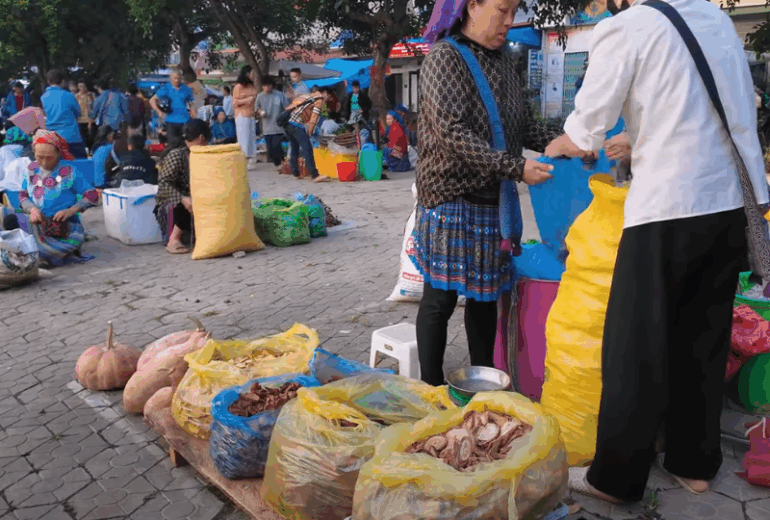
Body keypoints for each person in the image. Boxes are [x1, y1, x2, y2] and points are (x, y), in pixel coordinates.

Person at [543, 0, 770, 504]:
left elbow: (588, 126)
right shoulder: (715, 21)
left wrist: (559, 145)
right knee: (702, 340)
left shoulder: (628, 28)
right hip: (727, 205)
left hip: (667, 208)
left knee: (634, 347)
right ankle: (694, 466)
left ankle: (615, 480)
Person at [413, 0, 556, 387]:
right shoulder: (445, 57)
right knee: (440, 299)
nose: (509, 22)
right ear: (472, 6)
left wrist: (564, 142)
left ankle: (482, 384)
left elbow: (523, 126)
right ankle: (431, 387)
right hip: (451, 197)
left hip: (492, 201)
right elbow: (451, 133)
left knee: (483, 299)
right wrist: (517, 168)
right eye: (502, 10)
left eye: (514, 13)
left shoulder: (503, 64)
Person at [0, 130, 98, 267]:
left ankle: (37, 252)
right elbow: (22, 195)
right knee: (3, 214)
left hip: (64, 227)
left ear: (58, 153)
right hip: (36, 222)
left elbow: (92, 195)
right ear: (33, 152)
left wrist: (71, 210)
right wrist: (33, 210)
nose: (44, 162)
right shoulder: (31, 169)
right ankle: (35, 250)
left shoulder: (70, 171)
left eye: (49, 157)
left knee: (68, 241)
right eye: (40, 157)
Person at [154, 119, 211, 255]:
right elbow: (163, 184)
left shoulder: (204, 155)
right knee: (189, 202)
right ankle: (174, 239)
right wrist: (182, 198)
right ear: (202, 138)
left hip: (194, 199)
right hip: (174, 205)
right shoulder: (177, 155)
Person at [281, 90, 332, 183]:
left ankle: (295, 172)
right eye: (329, 96)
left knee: (294, 146)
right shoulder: (319, 100)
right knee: (307, 147)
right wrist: (309, 132)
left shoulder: (307, 95)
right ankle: (314, 175)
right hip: (296, 124)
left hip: (287, 122)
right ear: (325, 93)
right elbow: (314, 118)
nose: (328, 98)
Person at [41, 70, 87, 159]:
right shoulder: (69, 95)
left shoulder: (43, 97)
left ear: (48, 81)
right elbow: (78, 113)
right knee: (80, 167)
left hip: (53, 139)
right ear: (62, 81)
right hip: (72, 136)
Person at [150, 70, 195, 152]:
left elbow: (191, 103)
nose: (177, 80)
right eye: (174, 78)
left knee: (185, 145)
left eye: (178, 78)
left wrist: (194, 115)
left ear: (181, 78)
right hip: (171, 121)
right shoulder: (166, 88)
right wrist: (159, 111)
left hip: (184, 120)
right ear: (171, 79)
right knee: (172, 145)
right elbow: (152, 100)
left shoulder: (186, 89)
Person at [256, 76, 289, 170]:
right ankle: (279, 163)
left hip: (278, 126)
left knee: (276, 146)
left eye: (269, 86)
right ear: (262, 86)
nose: (267, 88)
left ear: (272, 86)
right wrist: (260, 112)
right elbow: (256, 108)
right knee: (270, 150)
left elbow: (286, 108)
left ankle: (281, 164)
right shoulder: (260, 96)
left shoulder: (280, 95)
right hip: (266, 127)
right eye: (265, 86)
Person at [233, 66, 258, 165]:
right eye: (252, 73)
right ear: (247, 74)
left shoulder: (253, 86)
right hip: (242, 116)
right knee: (243, 138)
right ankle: (243, 160)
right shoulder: (238, 87)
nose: (253, 76)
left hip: (251, 115)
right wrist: (247, 100)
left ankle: (251, 158)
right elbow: (234, 103)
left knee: (251, 138)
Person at [75, 82, 96, 151]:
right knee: (83, 137)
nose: (82, 88)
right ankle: (86, 152)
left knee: (91, 138)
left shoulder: (91, 95)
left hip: (91, 120)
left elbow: (95, 106)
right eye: (80, 86)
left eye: (83, 86)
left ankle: (92, 151)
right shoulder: (77, 96)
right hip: (81, 120)